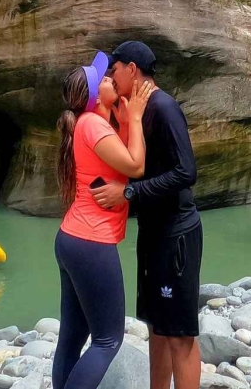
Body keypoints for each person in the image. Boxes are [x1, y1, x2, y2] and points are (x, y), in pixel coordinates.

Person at [96, 41, 202, 389]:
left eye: (114, 70)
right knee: (156, 326)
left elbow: (186, 172)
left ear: (132, 69)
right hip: (153, 232)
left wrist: (130, 193)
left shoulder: (164, 107)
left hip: (177, 233)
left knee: (179, 334)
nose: (112, 77)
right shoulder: (139, 111)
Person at [53, 52, 152, 389]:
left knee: (72, 337)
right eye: (106, 79)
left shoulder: (92, 123)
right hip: (91, 242)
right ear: (97, 96)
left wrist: (123, 122)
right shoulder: (93, 125)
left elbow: (119, 162)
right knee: (108, 341)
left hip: (72, 238)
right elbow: (136, 166)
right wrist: (135, 117)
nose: (111, 78)